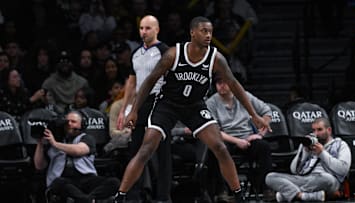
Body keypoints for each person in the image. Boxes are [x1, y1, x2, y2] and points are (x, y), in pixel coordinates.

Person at [114, 16, 271, 203]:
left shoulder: (216, 58)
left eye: (210, 32)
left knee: (220, 147)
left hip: (194, 106)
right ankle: (120, 196)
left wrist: (253, 114)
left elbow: (234, 84)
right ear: (192, 32)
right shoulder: (173, 54)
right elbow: (149, 81)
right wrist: (134, 110)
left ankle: (238, 195)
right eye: (204, 31)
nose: (208, 35)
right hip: (168, 105)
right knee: (146, 149)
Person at [116, 15, 171, 202]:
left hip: (160, 101)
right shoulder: (136, 54)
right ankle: (133, 196)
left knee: (162, 151)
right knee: (135, 150)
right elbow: (131, 83)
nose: (143, 32)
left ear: (157, 30)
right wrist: (125, 110)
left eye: (148, 28)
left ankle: (164, 196)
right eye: (141, 28)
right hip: (140, 104)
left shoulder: (165, 51)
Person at [206, 77, 273, 200]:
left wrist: (259, 135)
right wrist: (238, 141)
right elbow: (214, 130)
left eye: (224, 82)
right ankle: (222, 190)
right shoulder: (211, 102)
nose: (221, 86)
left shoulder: (244, 96)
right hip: (226, 139)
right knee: (216, 149)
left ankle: (265, 187)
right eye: (218, 83)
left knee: (264, 147)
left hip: (248, 137)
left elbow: (267, 111)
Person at [33, 111, 120, 203]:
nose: (69, 124)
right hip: (63, 180)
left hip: (86, 178)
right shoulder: (53, 141)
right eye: (67, 122)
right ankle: (87, 200)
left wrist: (55, 143)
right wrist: (40, 143)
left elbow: (78, 151)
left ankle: (87, 199)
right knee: (58, 183)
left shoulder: (87, 138)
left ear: (81, 125)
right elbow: (39, 166)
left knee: (114, 182)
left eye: (73, 121)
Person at [265, 117, 351, 202]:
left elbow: (343, 170)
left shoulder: (340, 145)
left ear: (329, 130)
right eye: (314, 130)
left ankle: (288, 194)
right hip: (305, 179)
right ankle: (303, 196)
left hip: (326, 180)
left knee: (327, 179)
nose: (316, 133)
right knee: (270, 177)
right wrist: (305, 152)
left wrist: (322, 153)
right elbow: (294, 170)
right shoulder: (308, 143)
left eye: (319, 130)